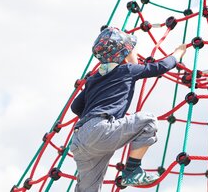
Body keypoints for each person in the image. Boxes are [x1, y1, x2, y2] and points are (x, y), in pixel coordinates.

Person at [70, 27, 187, 192]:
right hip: (101, 131)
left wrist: (94, 113)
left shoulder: (93, 79)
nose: (136, 56)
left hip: (79, 139)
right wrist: (177, 54)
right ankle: (132, 170)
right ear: (124, 56)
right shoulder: (127, 70)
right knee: (148, 121)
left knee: (88, 189)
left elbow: (75, 107)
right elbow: (161, 67)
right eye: (134, 51)